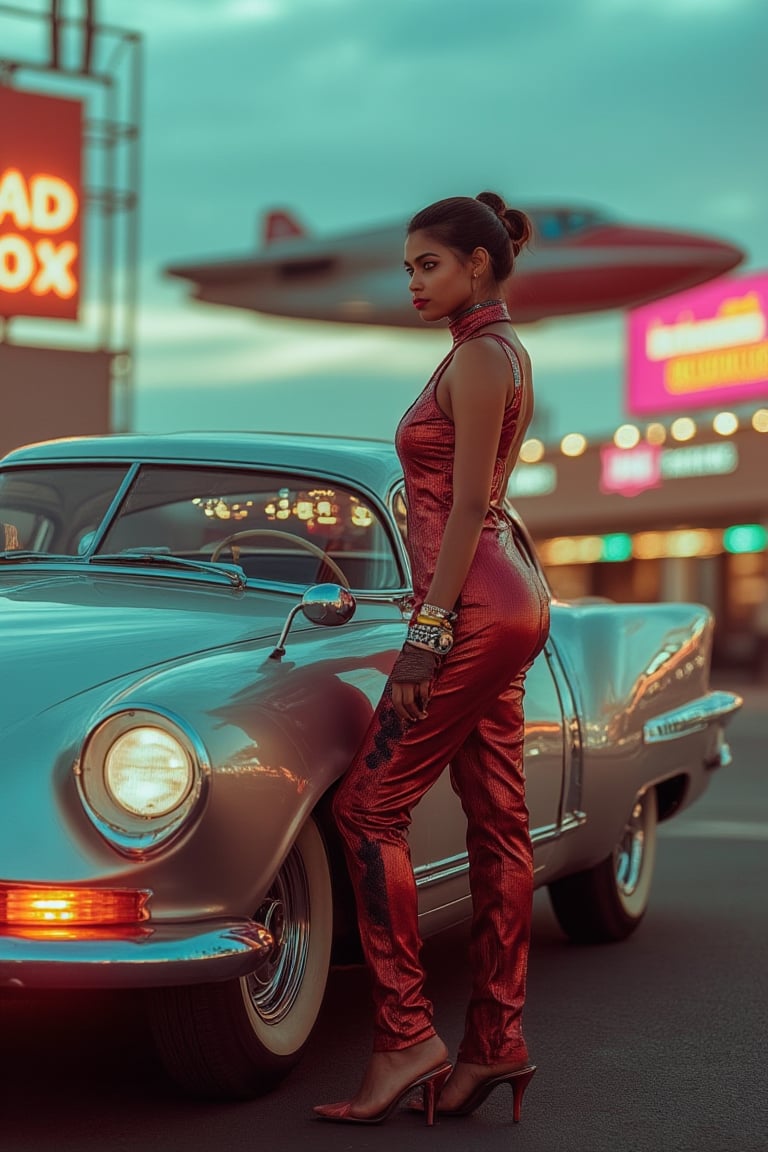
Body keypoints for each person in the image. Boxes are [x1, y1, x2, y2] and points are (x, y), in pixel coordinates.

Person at [313, 192, 550, 1126]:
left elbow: (464, 514)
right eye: (408, 266)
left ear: (479, 266)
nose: (413, 281)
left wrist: (425, 635)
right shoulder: (480, 354)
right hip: (497, 602)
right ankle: (496, 1043)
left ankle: (405, 1033)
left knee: (368, 808)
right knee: (498, 821)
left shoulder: (483, 357)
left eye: (429, 265)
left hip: (475, 607)